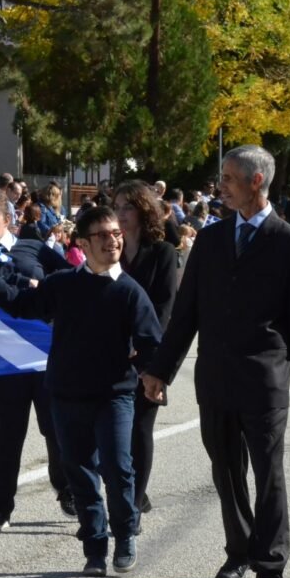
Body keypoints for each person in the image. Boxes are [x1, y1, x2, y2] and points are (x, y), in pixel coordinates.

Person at [142, 145, 290, 578]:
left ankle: (271, 571)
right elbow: (185, 315)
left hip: (265, 378)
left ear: (256, 182)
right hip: (216, 377)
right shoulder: (211, 240)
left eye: (228, 177)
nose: (220, 184)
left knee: (268, 476)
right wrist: (161, 369)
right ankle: (238, 551)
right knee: (226, 473)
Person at [0, 205, 161, 578]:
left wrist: (153, 375)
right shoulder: (63, 284)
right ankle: (94, 547)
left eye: (117, 234)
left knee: (118, 469)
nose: (113, 241)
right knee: (80, 473)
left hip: (114, 395)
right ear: (82, 243)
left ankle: (125, 535)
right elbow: (22, 305)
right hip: (66, 394)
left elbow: (151, 342)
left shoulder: (129, 292)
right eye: (103, 235)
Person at [0, 189, 74, 531]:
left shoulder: (34, 246)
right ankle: (1, 505)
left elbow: (68, 277)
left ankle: (66, 486)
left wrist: (46, 287)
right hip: (2, 360)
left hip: (45, 357)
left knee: (55, 427)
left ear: (7, 219)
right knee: (7, 433)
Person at [111, 181, 178, 526]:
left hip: (150, 355)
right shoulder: (110, 251)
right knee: (113, 433)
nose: (120, 214)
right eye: (117, 207)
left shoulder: (163, 252)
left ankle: (133, 506)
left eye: (127, 207)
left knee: (139, 429)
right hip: (111, 355)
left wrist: (148, 350)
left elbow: (166, 308)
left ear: (144, 210)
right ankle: (136, 492)